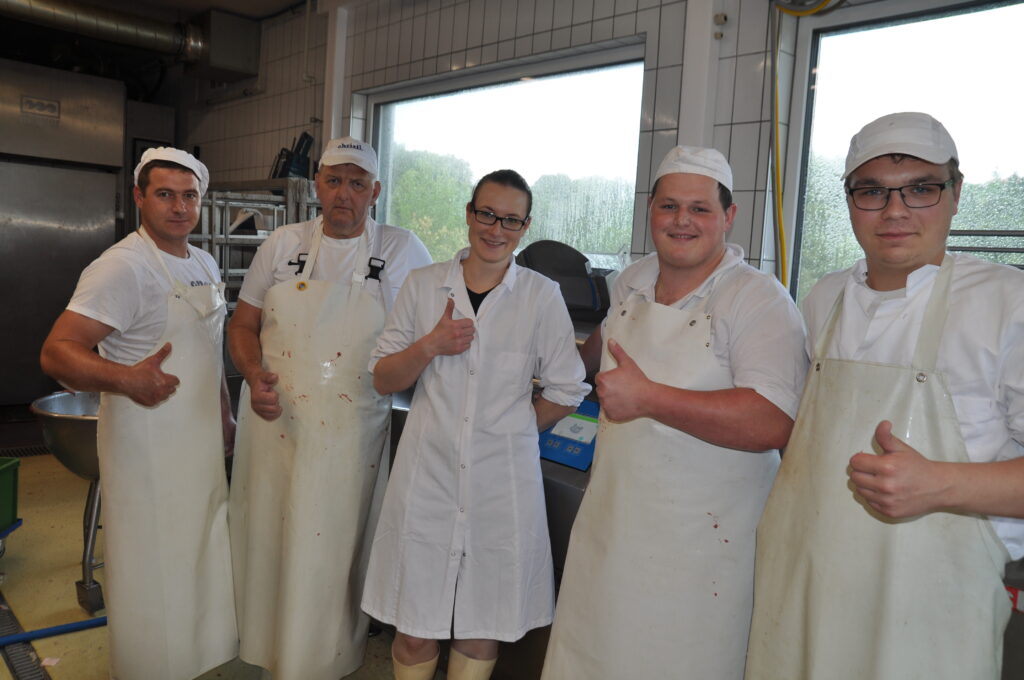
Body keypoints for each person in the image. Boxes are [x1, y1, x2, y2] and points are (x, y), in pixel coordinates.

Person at [746, 112, 1024, 679]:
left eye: (921, 189)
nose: (895, 211)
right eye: (872, 192)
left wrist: (941, 484)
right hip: (808, 595)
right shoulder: (823, 300)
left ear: (956, 194)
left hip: (931, 615)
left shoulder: (1006, 305)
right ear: (850, 201)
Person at [540, 146, 808, 680]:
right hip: (614, 527)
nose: (682, 220)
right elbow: (588, 359)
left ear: (728, 217)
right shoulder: (632, 283)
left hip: (703, 550)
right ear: (651, 212)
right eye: (668, 206)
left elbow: (773, 420)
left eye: (700, 208)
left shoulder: (758, 300)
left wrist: (651, 399)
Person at [361, 169, 589, 680]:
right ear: (468, 213)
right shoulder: (424, 286)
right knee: (414, 625)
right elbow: (381, 378)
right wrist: (430, 346)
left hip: (500, 484)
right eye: (486, 213)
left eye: (510, 219)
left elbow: (568, 387)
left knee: (481, 626)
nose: (495, 228)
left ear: (525, 226)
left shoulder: (539, 295)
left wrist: (512, 432)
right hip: (428, 480)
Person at [226, 136, 431, 680]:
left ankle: (327, 655)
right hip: (274, 419)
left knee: (335, 543)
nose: (345, 195)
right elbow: (243, 325)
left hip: (350, 429)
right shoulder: (282, 244)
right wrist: (253, 376)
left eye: (357, 184)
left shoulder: (404, 250)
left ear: (376, 191)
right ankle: (264, 644)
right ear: (317, 184)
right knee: (270, 532)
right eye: (334, 180)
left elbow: (423, 340)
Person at [40, 147, 236, 680]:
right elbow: (57, 352)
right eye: (165, 194)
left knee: (196, 552)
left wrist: (224, 415)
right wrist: (127, 378)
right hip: (146, 442)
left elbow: (208, 348)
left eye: (189, 196)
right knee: (150, 566)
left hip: (196, 441)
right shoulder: (122, 266)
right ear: (139, 198)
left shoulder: (202, 261)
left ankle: (194, 663)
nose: (179, 207)